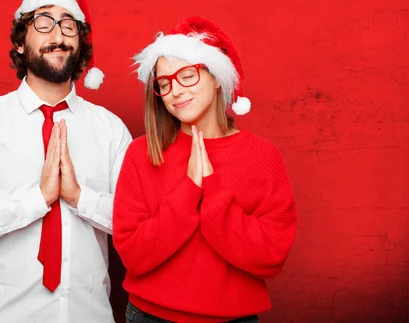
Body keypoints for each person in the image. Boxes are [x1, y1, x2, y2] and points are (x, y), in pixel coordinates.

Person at [0, 1, 132, 322]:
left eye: (69, 25)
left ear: (80, 44)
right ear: (20, 42)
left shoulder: (109, 128)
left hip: (90, 314)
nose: (58, 34)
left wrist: (79, 198)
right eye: (43, 23)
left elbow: (137, 222)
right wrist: (37, 200)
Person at [112, 16, 298, 323]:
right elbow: (134, 254)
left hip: (233, 319)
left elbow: (271, 256)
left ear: (216, 78)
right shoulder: (141, 152)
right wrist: (189, 191)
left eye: (187, 75)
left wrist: (212, 189)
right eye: (164, 83)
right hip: (149, 317)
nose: (175, 91)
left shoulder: (263, 156)